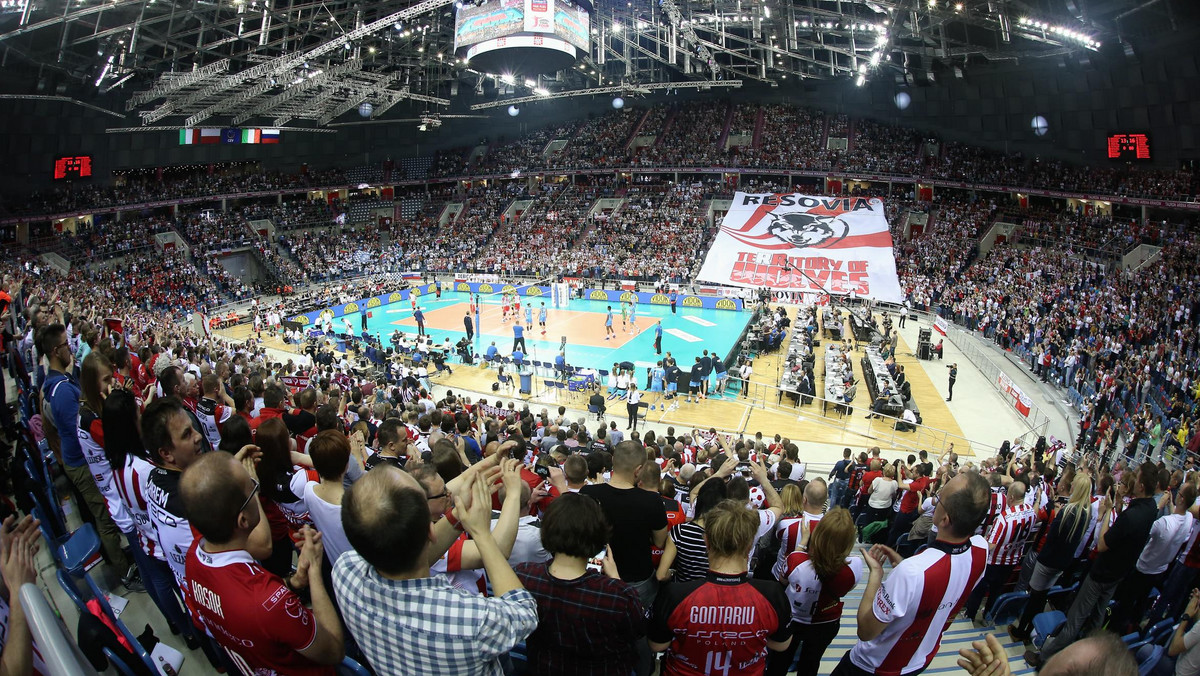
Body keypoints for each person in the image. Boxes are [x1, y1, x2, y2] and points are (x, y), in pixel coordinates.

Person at [332, 464, 538, 676]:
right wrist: (483, 531)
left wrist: (457, 514)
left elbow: (403, 552)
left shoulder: (345, 571)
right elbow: (523, 612)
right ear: (432, 531)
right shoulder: (472, 621)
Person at [180, 452, 344, 674]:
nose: (257, 490)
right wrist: (314, 569)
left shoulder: (193, 556)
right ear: (243, 520)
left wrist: (294, 583)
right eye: (252, 488)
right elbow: (333, 649)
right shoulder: (268, 604)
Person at [834, 470, 990, 676]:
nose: (935, 501)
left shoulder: (912, 573)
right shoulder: (982, 549)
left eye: (938, 499)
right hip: (921, 658)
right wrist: (905, 564)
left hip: (874, 666)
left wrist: (876, 575)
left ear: (944, 519)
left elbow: (866, 630)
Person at [1029, 463, 1160, 667]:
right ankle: (1089, 659)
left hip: (1101, 575)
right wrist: (1117, 505)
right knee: (1097, 619)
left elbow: (1102, 544)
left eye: (1136, 478)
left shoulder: (1131, 516)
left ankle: (1044, 659)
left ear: (1141, 486)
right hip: (1117, 576)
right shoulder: (1151, 508)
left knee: (1074, 620)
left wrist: (1109, 512)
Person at [649, 499, 792, 675]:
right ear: (749, 545)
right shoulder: (772, 594)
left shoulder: (676, 594)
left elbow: (657, 644)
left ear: (706, 541)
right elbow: (781, 644)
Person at [514, 493, 647, 676]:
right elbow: (638, 630)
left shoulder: (523, 575)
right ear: (598, 536)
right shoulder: (618, 595)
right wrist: (615, 579)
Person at [40, 324, 131, 577]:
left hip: (79, 459)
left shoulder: (60, 383)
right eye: (66, 345)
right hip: (81, 462)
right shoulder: (63, 393)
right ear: (57, 350)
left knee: (106, 514)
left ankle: (120, 559)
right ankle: (124, 571)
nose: (70, 348)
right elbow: (82, 433)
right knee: (104, 517)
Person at [581, 441, 669, 676]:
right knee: (638, 632)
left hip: (596, 576)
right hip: (638, 581)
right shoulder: (652, 502)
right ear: (639, 470)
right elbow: (660, 542)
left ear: (612, 461)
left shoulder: (588, 494)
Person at [1009, 475, 1110, 641]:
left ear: (1076, 489)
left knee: (1035, 596)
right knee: (1042, 596)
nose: (1070, 486)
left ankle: (1022, 632)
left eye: (1073, 484)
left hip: (1048, 560)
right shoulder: (1086, 512)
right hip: (1062, 562)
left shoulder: (1067, 511)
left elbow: (1052, 536)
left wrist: (1056, 514)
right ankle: (1031, 629)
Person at [767, 509, 862, 676]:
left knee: (779, 661)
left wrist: (802, 542)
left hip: (793, 619)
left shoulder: (797, 560)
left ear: (817, 535)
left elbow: (782, 581)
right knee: (811, 663)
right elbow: (846, 590)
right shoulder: (855, 565)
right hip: (827, 621)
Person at [964, 482, 1035, 622]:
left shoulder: (1004, 518)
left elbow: (991, 545)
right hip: (1012, 560)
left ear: (1012, 497)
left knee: (979, 589)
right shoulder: (1031, 511)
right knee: (997, 590)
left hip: (995, 561)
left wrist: (976, 544)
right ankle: (988, 615)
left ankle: (970, 615)